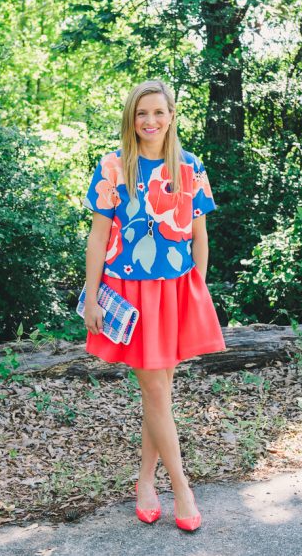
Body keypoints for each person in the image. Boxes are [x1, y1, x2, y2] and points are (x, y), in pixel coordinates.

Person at [82, 79, 227, 531]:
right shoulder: (113, 166)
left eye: (158, 112)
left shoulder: (189, 167)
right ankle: (182, 488)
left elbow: (200, 238)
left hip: (175, 291)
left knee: (158, 393)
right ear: (131, 117)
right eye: (141, 113)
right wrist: (90, 296)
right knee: (157, 392)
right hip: (128, 291)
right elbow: (98, 237)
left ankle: (145, 481)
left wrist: (195, 294)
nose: (150, 121)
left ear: (171, 116)